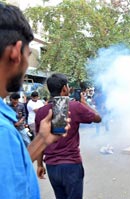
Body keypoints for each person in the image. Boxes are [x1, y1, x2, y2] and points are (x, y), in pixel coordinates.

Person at [0, 3, 70, 198]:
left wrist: (42, 140)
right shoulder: (2, 132)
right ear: (16, 52)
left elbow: (12, 168)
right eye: (28, 55)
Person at [35, 73, 102, 199]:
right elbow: (98, 118)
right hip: (71, 165)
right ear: (65, 88)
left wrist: (39, 164)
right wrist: (84, 103)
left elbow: (39, 140)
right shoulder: (75, 107)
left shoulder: (41, 112)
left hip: (52, 167)